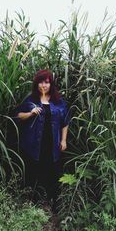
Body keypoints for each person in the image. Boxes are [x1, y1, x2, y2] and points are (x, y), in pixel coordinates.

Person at [15, 69, 70, 211]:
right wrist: (30, 113)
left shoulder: (59, 102)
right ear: (36, 84)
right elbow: (19, 115)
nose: (43, 85)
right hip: (34, 144)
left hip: (53, 144)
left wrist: (63, 140)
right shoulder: (31, 100)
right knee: (34, 172)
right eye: (40, 82)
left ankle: (55, 202)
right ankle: (34, 202)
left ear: (51, 84)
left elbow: (65, 122)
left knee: (53, 172)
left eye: (46, 82)